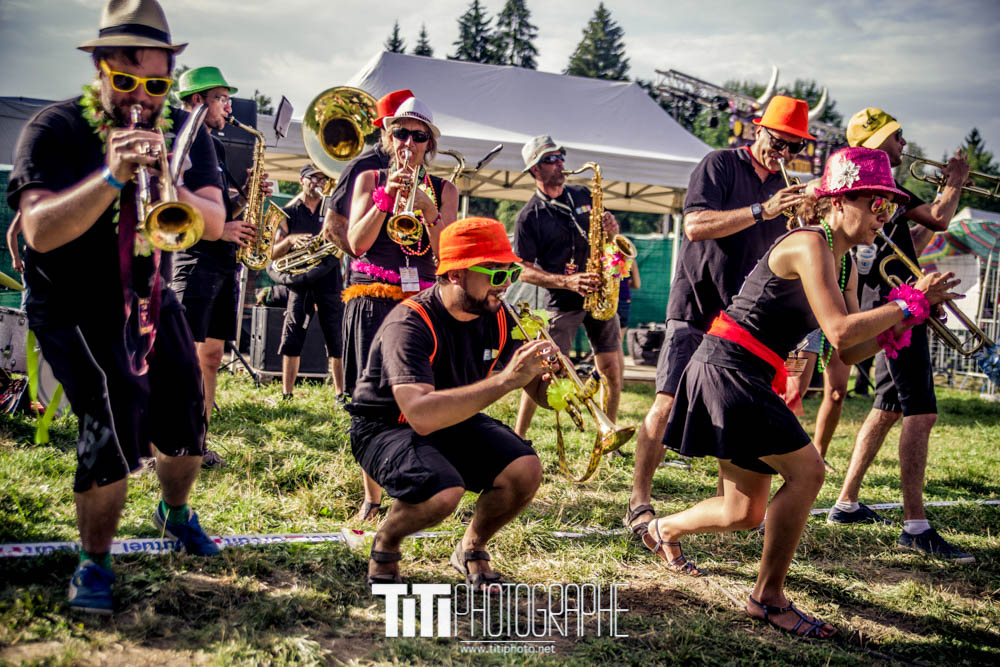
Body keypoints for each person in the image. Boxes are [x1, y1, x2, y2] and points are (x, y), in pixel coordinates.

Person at [645, 147, 958, 638]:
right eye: (875, 202)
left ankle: (663, 529)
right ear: (838, 202)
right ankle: (767, 599)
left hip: (744, 370)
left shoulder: (848, 263)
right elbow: (837, 329)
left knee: (741, 512)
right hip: (729, 365)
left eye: (887, 205)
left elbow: (850, 351)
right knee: (809, 471)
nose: (884, 214)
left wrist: (908, 317)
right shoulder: (809, 242)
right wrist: (909, 301)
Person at [8, 0, 227, 614]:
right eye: (126, 80)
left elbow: (212, 222)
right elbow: (38, 232)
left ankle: (174, 512)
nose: (142, 96)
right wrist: (110, 175)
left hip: (151, 299)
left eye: (156, 84)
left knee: (185, 415)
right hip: (71, 304)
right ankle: (95, 562)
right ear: (101, 68)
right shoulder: (55, 129)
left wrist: (166, 176)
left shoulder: (184, 129)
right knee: (112, 413)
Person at [624, 96, 813, 539]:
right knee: (667, 402)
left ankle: (727, 505)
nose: (782, 154)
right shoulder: (720, 164)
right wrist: (762, 210)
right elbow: (695, 226)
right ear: (756, 130)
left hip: (744, 322)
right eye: (777, 142)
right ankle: (638, 501)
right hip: (696, 304)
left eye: (793, 148)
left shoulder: (787, 188)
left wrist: (802, 220)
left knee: (738, 414)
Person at [347, 217, 547, 586]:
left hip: (452, 420)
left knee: (525, 470)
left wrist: (552, 384)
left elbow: (534, 388)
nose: (505, 287)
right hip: (386, 426)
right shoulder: (409, 323)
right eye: (496, 274)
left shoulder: (498, 316)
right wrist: (507, 380)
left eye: (510, 275)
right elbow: (420, 414)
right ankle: (387, 540)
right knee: (443, 491)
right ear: (455, 274)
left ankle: (471, 547)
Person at [827, 108, 975, 563]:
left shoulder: (879, 194)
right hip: (895, 310)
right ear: (876, 143)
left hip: (890, 303)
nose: (905, 146)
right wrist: (955, 181)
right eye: (898, 138)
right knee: (922, 414)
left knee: (888, 408)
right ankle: (915, 525)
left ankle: (846, 503)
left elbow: (910, 229)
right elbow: (940, 218)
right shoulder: (880, 188)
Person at [345, 95, 458, 521]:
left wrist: (428, 211)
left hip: (420, 303)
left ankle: (417, 481)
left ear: (429, 144)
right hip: (371, 296)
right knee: (370, 399)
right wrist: (382, 201)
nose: (409, 141)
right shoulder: (368, 177)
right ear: (388, 137)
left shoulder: (446, 189)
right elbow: (356, 243)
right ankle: (372, 498)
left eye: (418, 135)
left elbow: (448, 254)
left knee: (421, 393)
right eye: (401, 133)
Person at [170, 65, 264, 467]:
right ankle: (174, 442)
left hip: (222, 262)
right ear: (196, 101)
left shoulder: (217, 147)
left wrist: (248, 196)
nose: (229, 107)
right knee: (184, 355)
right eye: (222, 99)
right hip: (194, 259)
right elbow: (173, 205)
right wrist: (221, 229)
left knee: (211, 357)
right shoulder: (176, 142)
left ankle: (199, 441)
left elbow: (222, 210)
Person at [511, 136, 623, 438]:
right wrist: (566, 281)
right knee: (543, 370)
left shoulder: (582, 194)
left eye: (560, 156)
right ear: (534, 169)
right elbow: (522, 269)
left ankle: (608, 432)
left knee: (611, 368)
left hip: (599, 294)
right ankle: (519, 436)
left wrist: (613, 232)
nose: (560, 163)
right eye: (550, 159)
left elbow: (604, 239)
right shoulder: (529, 216)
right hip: (562, 301)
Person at [271, 164, 346, 400]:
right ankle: (287, 393)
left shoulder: (332, 209)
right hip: (300, 283)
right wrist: (291, 241)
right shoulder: (288, 213)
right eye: (314, 178)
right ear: (301, 180)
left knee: (336, 338)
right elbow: (272, 253)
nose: (320, 182)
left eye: (323, 178)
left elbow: (344, 242)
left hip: (329, 281)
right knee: (293, 336)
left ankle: (340, 393)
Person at [320, 89, 414, 258]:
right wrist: (368, 262)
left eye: (416, 132)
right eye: (402, 130)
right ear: (386, 129)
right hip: (372, 276)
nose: (409, 139)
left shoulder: (413, 163)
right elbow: (332, 227)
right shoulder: (361, 166)